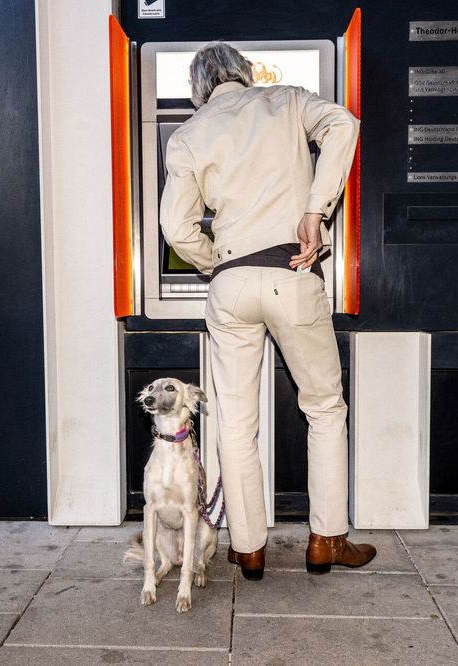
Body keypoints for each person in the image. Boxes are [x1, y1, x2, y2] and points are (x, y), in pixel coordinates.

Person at [159, 41, 375, 579]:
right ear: (245, 74)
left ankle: (249, 547)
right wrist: (313, 211)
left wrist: (218, 264)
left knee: (235, 420)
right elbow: (344, 125)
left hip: (231, 283)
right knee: (323, 407)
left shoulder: (188, 134)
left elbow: (176, 229)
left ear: (198, 90)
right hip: (292, 271)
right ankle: (326, 540)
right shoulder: (286, 100)